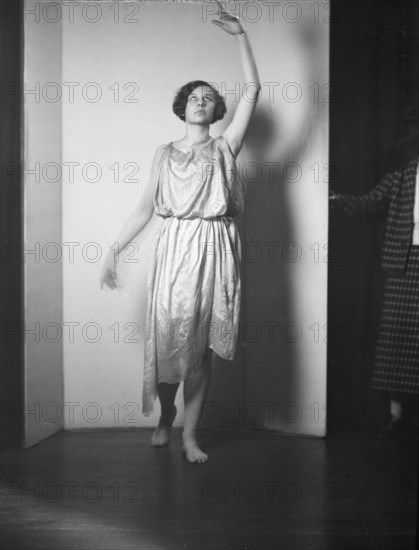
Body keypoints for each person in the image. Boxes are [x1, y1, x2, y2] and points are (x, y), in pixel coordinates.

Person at [99, 1, 260, 463]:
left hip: (215, 247)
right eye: (194, 96)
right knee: (170, 340)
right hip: (175, 248)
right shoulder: (164, 152)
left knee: (201, 349)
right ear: (182, 107)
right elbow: (146, 207)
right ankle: (165, 417)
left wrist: (240, 34)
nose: (201, 101)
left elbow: (253, 90)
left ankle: (190, 436)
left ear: (216, 110)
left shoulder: (227, 145)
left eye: (209, 97)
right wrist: (114, 249)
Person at [331, 109, 419, 441]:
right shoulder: (404, 175)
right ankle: (396, 415)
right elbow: (372, 202)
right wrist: (341, 200)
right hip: (406, 261)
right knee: (397, 339)